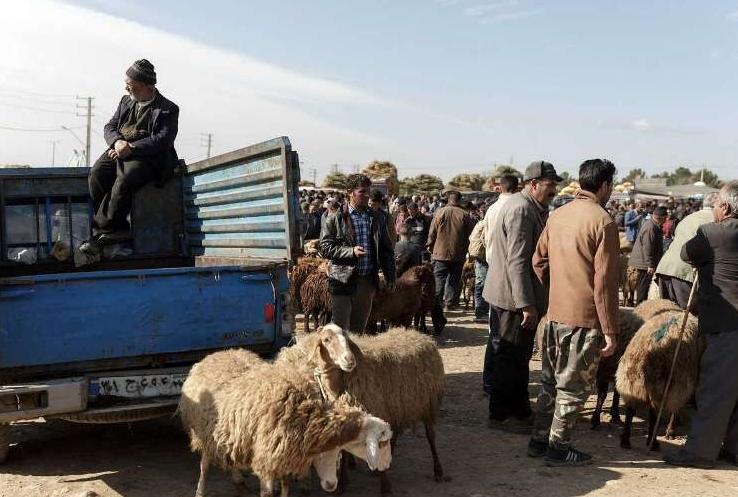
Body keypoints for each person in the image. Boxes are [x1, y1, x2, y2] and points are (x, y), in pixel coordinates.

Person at [528, 159, 620, 466]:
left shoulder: (558, 215)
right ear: (604, 186)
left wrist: (558, 288)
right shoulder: (603, 221)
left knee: (549, 382)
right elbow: (604, 283)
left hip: (554, 315)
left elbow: (538, 261)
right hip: (584, 319)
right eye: (611, 186)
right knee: (573, 388)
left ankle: (539, 440)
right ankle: (558, 448)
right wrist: (610, 330)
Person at [665, 181, 738, 468]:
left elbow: (686, 254)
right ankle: (733, 447)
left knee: (715, 391)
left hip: (728, 324)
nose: (714, 209)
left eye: (716, 204)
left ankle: (700, 452)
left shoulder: (712, 233)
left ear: (726, 207)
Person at [483, 162, 560, 431]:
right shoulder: (521, 210)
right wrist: (526, 304)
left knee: (518, 358)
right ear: (533, 184)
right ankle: (501, 416)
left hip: (513, 295)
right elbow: (517, 261)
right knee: (509, 359)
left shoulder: (528, 206)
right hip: (512, 298)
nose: (554, 190)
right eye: (550, 185)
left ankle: (519, 410)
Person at [87, 59, 179, 244]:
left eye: (131, 85)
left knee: (125, 178)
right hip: (119, 148)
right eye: (126, 84)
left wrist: (132, 148)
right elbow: (110, 127)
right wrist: (117, 142)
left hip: (148, 156)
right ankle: (112, 225)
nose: (127, 89)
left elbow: (163, 140)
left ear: (146, 86)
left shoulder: (168, 108)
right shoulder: (126, 101)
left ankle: (108, 228)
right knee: (97, 173)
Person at [319, 174, 396, 332]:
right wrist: (350, 251)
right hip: (342, 279)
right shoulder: (335, 218)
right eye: (362, 192)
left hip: (366, 281)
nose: (367, 195)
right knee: (339, 328)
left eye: (368, 191)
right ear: (350, 192)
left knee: (358, 329)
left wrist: (390, 276)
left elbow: (386, 250)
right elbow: (325, 247)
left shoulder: (376, 218)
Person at [481, 174, 519, 395]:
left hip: (493, 270)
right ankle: (499, 383)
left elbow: (486, 240)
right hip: (509, 276)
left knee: (494, 331)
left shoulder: (492, 209)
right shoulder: (516, 208)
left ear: (499, 188)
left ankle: (490, 381)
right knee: (505, 334)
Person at [655, 195, 715, 310]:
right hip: (684, 272)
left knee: (668, 313)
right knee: (688, 316)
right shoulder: (714, 220)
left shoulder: (688, 218)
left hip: (666, 266)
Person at [427, 191, 476, 312]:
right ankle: (450, 303)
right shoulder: (464, 214)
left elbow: (432, 232)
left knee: (439, 278)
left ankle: (436, 303)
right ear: (459, 200)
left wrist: (430, 246)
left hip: (440, 253)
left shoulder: (439, 212)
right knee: (454, 279)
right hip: (458, 253)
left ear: (449, 200)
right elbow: (471, 235)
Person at [628, 206, 667, 304]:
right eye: (665, 218)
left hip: (645, 262)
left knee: (644, 288)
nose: (666, 220)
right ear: (661, 217)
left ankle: (641, 307)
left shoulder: (653, 225)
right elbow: (647, 247)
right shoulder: (650, 228)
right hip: (644, 264)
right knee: (643, 288)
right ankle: (640, 309)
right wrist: (650, 264)